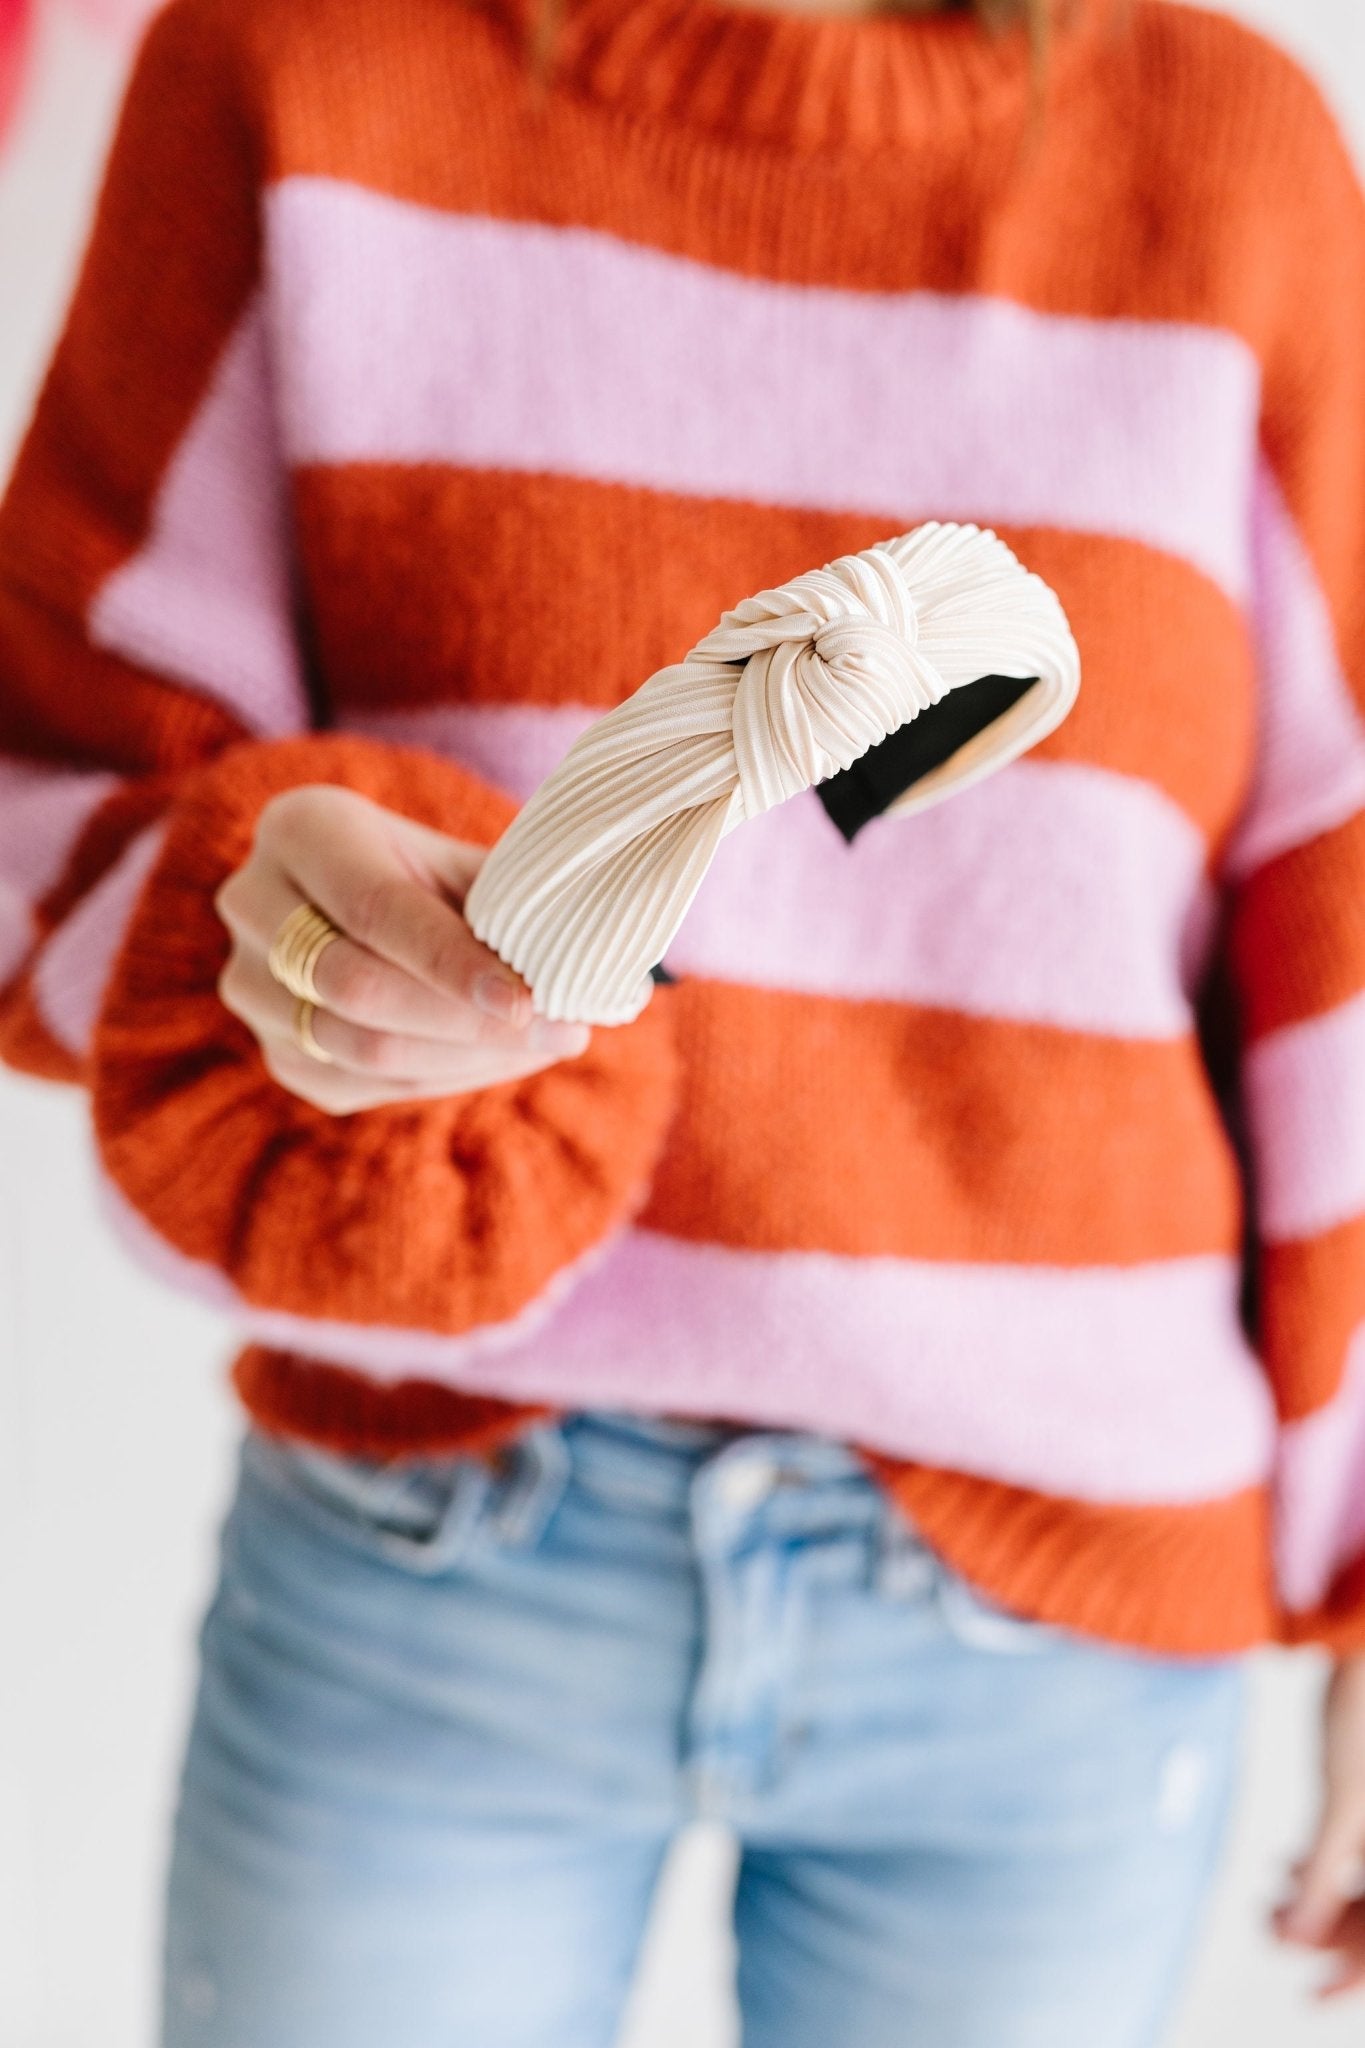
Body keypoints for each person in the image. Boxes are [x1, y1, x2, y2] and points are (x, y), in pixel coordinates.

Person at [3, 0, 1365, 2038]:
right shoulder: (290, 67)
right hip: (426, 1557)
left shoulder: (1229, 160)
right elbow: (42, 792)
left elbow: (1336, 920)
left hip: (1051, 1635)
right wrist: (252, 928)